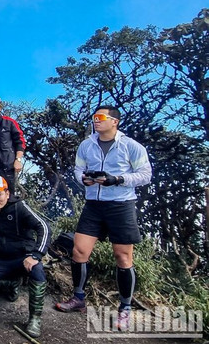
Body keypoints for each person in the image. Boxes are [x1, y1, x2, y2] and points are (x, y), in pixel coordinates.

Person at [56, 105, 152, 331]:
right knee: (79, 251)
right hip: (93, 205)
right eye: (94, 118)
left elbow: (146, 175)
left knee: (123, 257)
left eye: (100, 117)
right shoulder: (86, 145)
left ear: (114, 121)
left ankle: (125, 308)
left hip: (121, 205)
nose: (96, 121)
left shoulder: (130, 146)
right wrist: (83, 179)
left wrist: (117, 179)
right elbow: (78, 169)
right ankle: (78, 298)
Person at [0, 176, 50, 338]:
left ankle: (34, 319)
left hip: (24, 256)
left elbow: (44, 227)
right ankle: (11, 284)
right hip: (2, 257)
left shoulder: (20, 207)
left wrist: (37, 255)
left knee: (38, 270)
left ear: (7, 193)